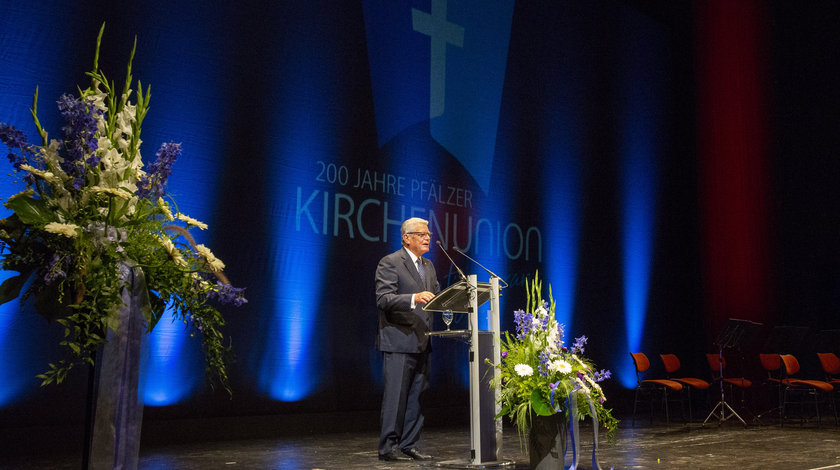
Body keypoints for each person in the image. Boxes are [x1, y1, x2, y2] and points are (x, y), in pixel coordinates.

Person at [374, 217, 440, 461]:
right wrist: (414, 297)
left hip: (423, 340)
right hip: (399, 340)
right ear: (406, 238)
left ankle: (409, 444)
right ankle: (387, 448)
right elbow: (383, 299)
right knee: (396, 397)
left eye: (428, 234)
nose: (427, 238)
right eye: (422, 234)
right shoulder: (390, 263)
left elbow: (437, 296)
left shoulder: (429, 266)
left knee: (417, 397)